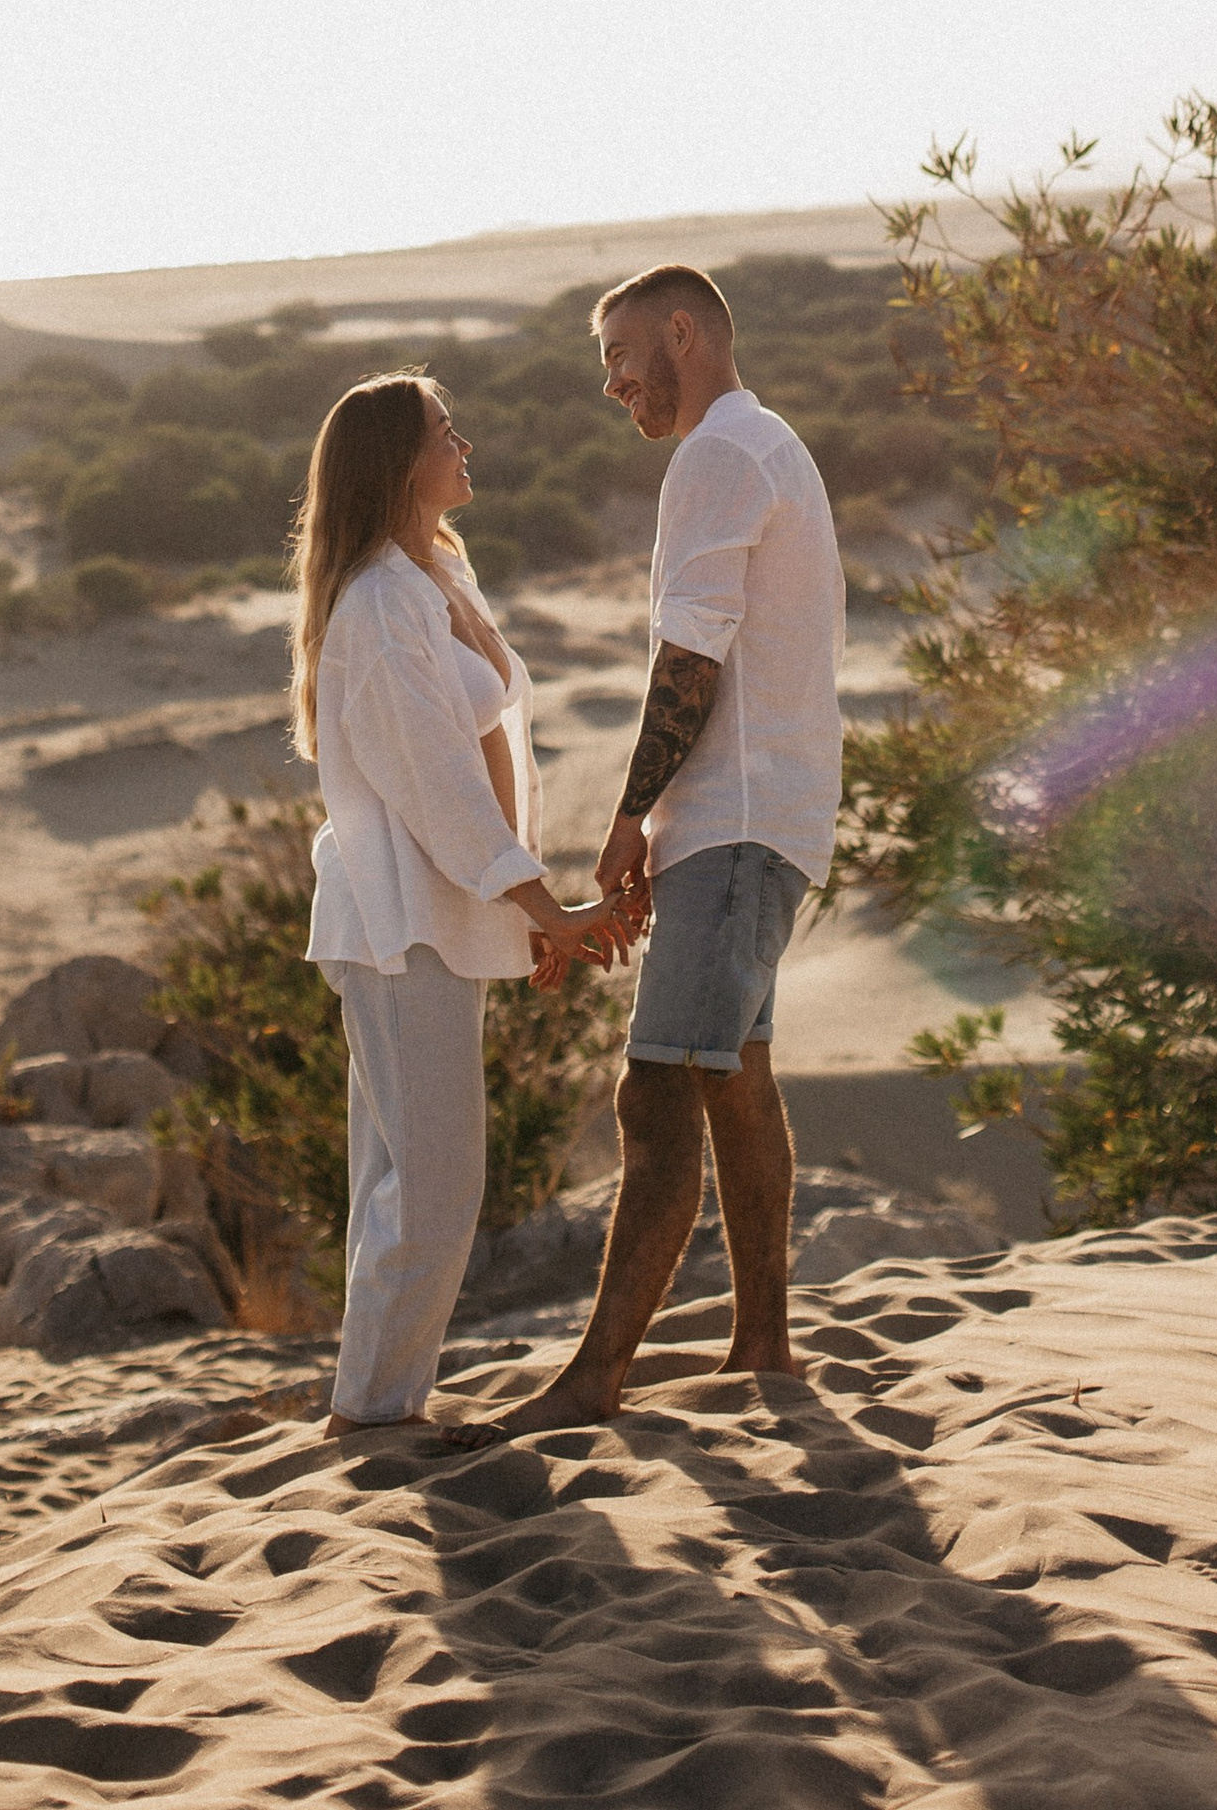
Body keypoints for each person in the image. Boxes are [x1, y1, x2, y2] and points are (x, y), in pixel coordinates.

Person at [479, 264, 844, 1435]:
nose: (610, 384)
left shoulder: (718, 457)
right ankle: (763, 1345)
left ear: (682, 333)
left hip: (733, 820)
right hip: (766, 812)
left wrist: (632, 816)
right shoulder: (769, 443)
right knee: (734, 1080)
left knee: (656, 1088)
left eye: (622, 355)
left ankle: (594, 1378)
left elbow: (690, 662)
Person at [294, 370, 627, 1433]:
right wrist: (541, 908)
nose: (466, 442)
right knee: (430, 1186)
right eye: (446, 432)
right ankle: (374, 1416)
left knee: (404, 1178)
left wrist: (521, 911)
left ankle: (373, 1402)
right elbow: (435, 782)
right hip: (399, 924)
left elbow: (492, 755)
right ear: (399, 462)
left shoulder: (432, 573)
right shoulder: (384, 605)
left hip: (436, 920)